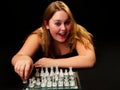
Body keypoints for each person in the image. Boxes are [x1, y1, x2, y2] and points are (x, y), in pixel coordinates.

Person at [11, 1, 96, 81]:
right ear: (46, 24)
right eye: (57, 23)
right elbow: (17, 57)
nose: (63, 28)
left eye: (67, 22)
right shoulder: (39, 36)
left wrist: (51, 63)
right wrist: (24, 58)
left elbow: (89, 59)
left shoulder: (77, 32)